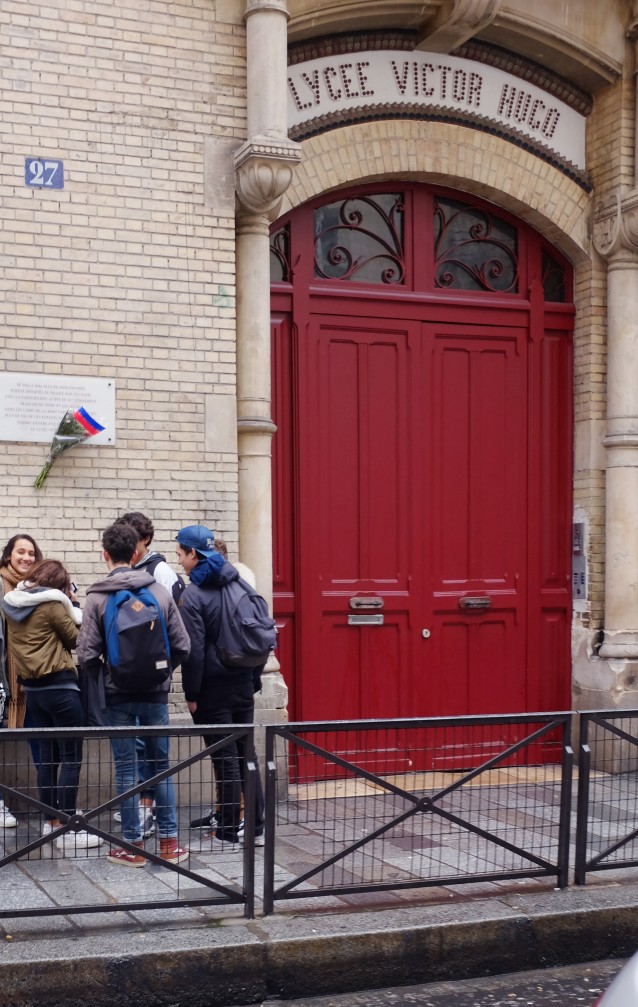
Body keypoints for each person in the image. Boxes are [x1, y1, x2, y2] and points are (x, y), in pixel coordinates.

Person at [77, 522, 191, 868]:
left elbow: (85, 655)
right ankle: (170, 844)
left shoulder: (97, 597)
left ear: (105, 555)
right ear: (137, 552)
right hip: (155, 695)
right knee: (162, 767)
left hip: (118, 696)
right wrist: (160, 671)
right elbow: (183, 645)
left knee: (126, 769)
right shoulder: (159, 592)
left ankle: (132, 846)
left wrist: (110, 674)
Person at [176, 525, 266, 848]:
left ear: (194, 554)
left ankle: (228, 828)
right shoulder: (239, 585)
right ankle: (255, 826)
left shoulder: (194, 596)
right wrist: (253, 680)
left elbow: (193, 652)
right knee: (247, 755)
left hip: (213, 690)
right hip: (243, 684)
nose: (180, 562)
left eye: (181, 555)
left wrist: (191, 694)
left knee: (225, 759)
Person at [1, 558, 101, 851]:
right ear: (58, 584)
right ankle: (69, 825)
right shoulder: (52, 605)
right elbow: (76, 639)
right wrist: (71, 603)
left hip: (34, 692)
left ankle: (51, 821)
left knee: (46, 759)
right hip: (60, 688)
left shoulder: (12, 605)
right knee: (71, 757)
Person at [112, 512, 185, 837]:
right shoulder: (134, 574)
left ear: (145, 541)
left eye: (135, 541)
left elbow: (178, 634)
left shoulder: (160, 573)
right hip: (141, 686)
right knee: (143, 753)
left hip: (146, 684)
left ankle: (146, 815)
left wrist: (161, 669)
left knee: (149, 757)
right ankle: (144, 812)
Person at [0, 533, 43, 829]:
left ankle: (53, 808)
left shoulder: (41, 589)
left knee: (42, 740)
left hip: (33, 681)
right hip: (4, 679)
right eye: (20, 552)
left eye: (31, 553)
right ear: (8, 556)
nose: (26, 558)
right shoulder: (0, 584)